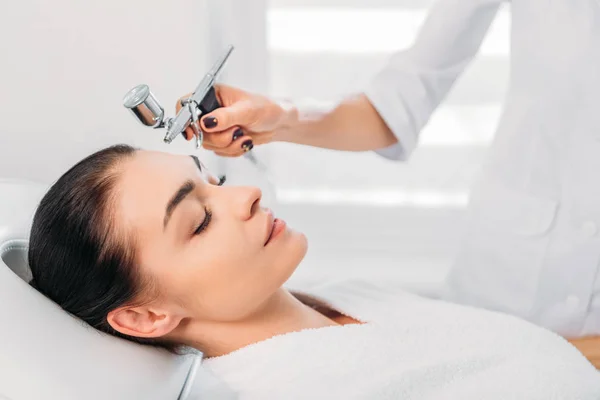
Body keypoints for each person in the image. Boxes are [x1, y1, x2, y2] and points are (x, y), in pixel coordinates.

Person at [177, 0, 600, 363]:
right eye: (198, 221)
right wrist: (281, 118)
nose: (249, 197)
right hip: (505, 281)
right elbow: (396, 104)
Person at [28, 145, 600, 399]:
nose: (247, 195)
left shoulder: (346, 296)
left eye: (214, 182)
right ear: (145, 315)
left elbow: (517, 357)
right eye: (200, 220)